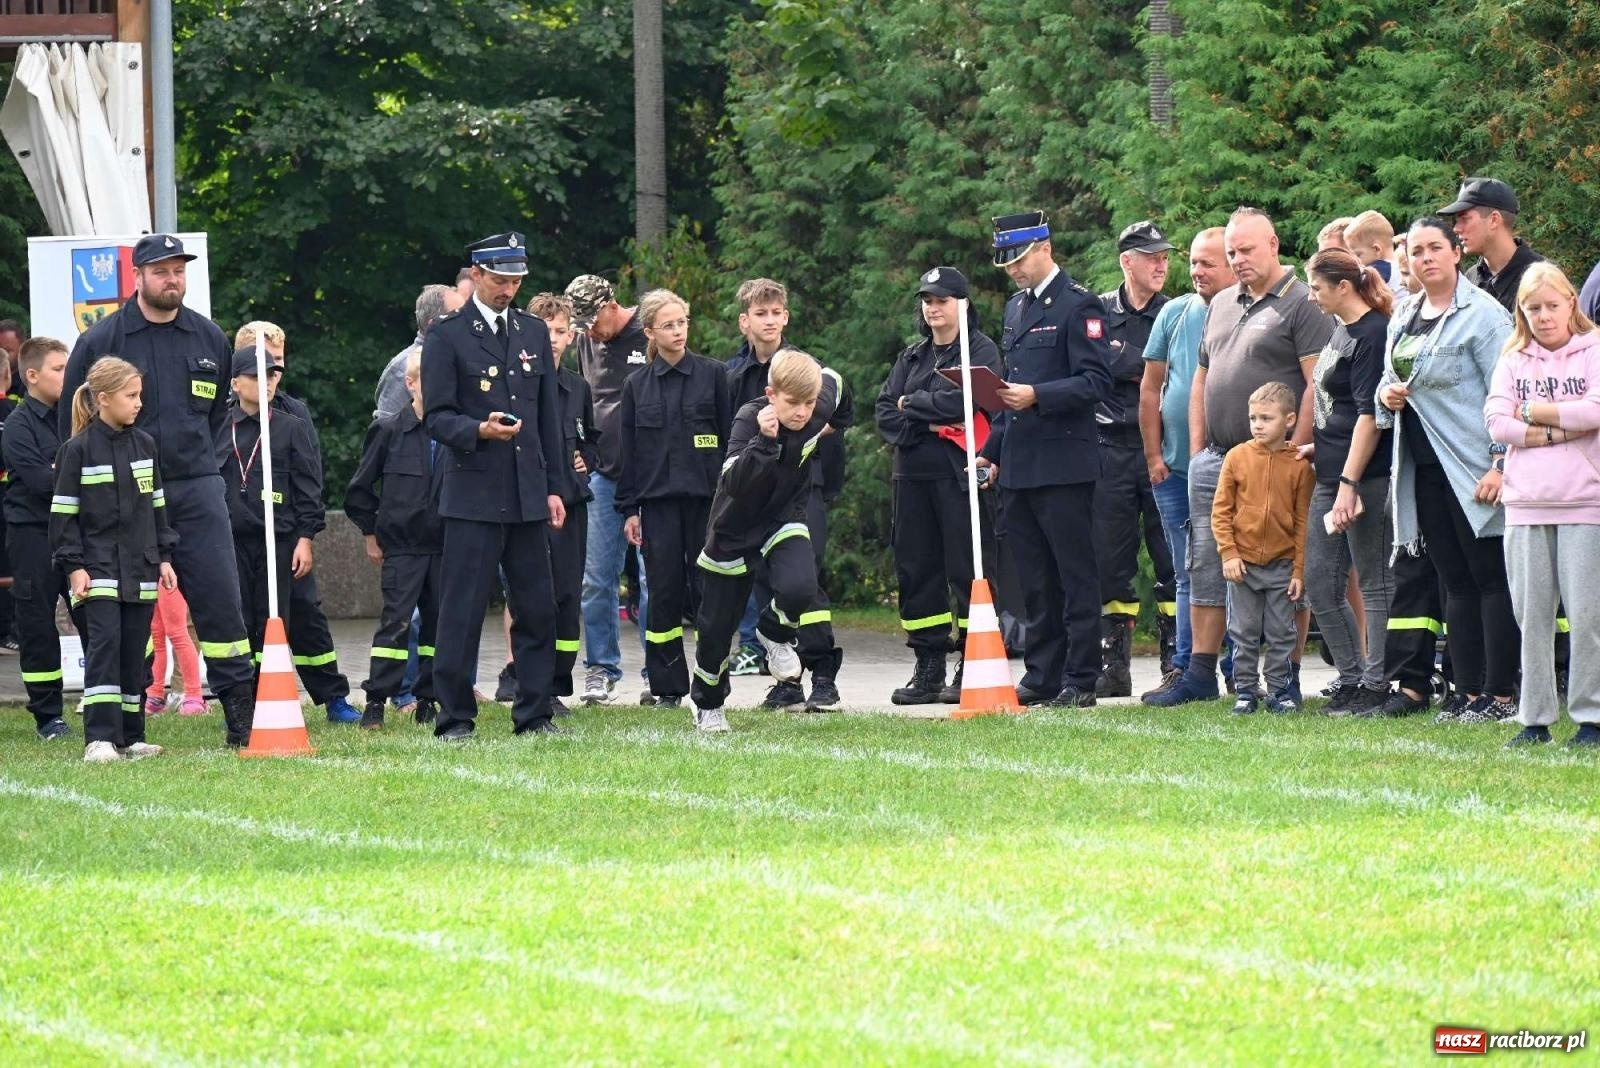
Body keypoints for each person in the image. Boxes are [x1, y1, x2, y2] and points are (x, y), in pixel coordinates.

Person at [61, 234, 257, 747]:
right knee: (123, 613)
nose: (173, 280)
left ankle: (241, 719)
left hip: (195, 491)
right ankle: (120, 730)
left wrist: (202, 471)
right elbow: (74, 425)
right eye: (162, 271)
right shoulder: (102, 340)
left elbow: (221, 417)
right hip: (123, 498)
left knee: (222, 604)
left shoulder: (209, 337)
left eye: (179, 270)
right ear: (138, 277)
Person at [1149, 207, 1334, 708]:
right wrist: (1196, 450)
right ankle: (1201, 673)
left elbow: (1316, 382)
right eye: (1232, 252)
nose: (1239, 259)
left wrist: (1295, 450)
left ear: (1273, 245)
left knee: (1280, 568)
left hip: (1278, 462)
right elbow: (1201, 381)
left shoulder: (1302, 303)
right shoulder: (1222, 302)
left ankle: (1286, 678)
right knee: (1207, 564)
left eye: (1246, 250)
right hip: (1215, 459)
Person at [424, 232, 569, 740]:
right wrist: (478, 430)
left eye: (516, 281)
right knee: (461, 611)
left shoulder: (531, 332)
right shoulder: (447, 336)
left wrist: (555, 486)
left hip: (528, 492)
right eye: (501, 280)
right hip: (473, 494)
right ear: (477, 275)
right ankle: (455, 717)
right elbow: (436, 418)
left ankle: (534, 713)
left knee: (536, 608)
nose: (509, 289)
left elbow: (550, 416)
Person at [1377, 216, 1519, 723]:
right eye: (1416, 252)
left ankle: (1500, 696)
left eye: (1435, 248)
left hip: (1475, 469)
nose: (1426, 258)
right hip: (1423, 468)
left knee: (1490, 579)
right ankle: (1467, 691)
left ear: (1456, 253)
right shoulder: (1404, 313)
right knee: (1453, 581)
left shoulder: (1484, 317)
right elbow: (1384, 384)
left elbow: (1510, 396)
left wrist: (1501, 465)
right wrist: (1387, 395)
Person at [975, 210, 1114, 706]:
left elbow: (1095, 383)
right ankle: (1042, 673)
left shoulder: (1080, 307)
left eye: (1019, 258)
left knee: (1073, 574)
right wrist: (990, 454)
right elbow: (1008, 397)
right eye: (1007, 262)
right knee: (1033, 579)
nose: (1013, 269)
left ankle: (1080, 677)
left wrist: (1038, 394)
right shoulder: (1016, 308)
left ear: (1044, 248)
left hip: (1064, 464)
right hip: (1020, 463)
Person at [687, 351, 846, 731]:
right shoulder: (748, 420)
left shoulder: (819, 401)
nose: (802, 412)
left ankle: (774, 632)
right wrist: (763, 440)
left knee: (801, 586)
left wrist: (835, 426)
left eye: (809, 404)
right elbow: (734, 484)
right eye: (793, 403)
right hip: (734, 529)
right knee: (716, 631)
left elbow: (837, 383)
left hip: (783, 516)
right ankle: (707, 703)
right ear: (770, 394)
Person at [875, 266, 1002, 704]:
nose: (933, 308)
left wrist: (913, 405)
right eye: (927, 300)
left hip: (958, 477)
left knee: (966, 570)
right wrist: (928, 422)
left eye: (942, 300)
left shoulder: (980, 350)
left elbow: (969, 402)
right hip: (911, 478)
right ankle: (928, 665)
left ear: (963, 304)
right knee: (916, 570)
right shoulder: (912, 357)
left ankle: (971, 660)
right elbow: (885, 412)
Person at [723, 277, 851, 712]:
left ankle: (823, 675)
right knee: (766, 583)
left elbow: (834, 412)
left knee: (805, 582)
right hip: (755, 499)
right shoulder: (734, 376)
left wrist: (811, 435)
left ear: (787, 317)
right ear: (745, 321)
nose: (771, 320)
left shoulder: (803, 366)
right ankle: (787, 681)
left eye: (777, 312)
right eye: (761, 313)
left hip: (803, 490)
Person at [1486, 264, 1600, 747]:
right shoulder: (1513, 358)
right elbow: (1496, 421)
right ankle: (1534, 720)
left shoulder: (1595, 350)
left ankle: (1591, 717)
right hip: (1527, 503)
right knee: (1531, 618)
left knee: (1587, 615)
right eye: (1534, 309)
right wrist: (1558, 428)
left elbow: (1596, 410)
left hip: (1585, 502)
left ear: (1571, 303)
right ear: (1522, 312)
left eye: (1553, 305)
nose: (1544, 316)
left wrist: (1531, 413)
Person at [50, 357, 178, 762]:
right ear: (103, 400)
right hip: (97, 570)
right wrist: (74, 567)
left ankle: (131, 737)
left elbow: (157, 508)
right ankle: (100, 739)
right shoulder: (77, 451)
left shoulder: (146, 445)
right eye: (131, 396)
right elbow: (63, 516)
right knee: (104, 648)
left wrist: (164, 558)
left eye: (140, 395)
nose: (139, 403)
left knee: (133, 652)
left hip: (140, 570)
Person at [236, 320, 359, 723]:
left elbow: (311, 480)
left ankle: (333, 697)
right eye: (262, 363)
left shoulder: (293, 414)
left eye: (278, 364)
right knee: (246, 621)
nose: (272, 374)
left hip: (286, 538)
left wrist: (307, 534)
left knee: (306, 617)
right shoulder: (223, 417)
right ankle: (248, 699)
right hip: (240, 539)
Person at [615, 289, 731, 705]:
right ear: (650, 331)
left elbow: (731, 441)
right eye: (669, 325)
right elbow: (628, 453)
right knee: (662, 594)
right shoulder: (636, 386)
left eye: (683, 322)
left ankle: (711, 679)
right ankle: (666, 687)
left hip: (707, 504)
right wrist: (629, 509)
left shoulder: (714, 375)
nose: (678, 331)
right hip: (658, 506)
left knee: (707, 592)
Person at [1139, 228, 1235, 701]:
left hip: (1232, 471)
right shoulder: (1174, 314)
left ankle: (1239, 668)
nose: (1196, 271)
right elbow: (1151, 388)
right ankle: (1186, 670)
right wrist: (1155, 457)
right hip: (1176, 473)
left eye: (1208, 263)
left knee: (1235, 570)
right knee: (1186, 571)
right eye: (1193, 263)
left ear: (1234, 264)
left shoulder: (1245, 311)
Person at [1303, 248, 1395, 714]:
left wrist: (1349, 483)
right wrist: (1318, 448)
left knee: (1374, 579)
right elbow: (1333, 406)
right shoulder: (1341, 329)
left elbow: (1369, 416)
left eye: (1317, 287)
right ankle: (1352, 676)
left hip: (1364, 478)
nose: (1312, 296)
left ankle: (1377, 684)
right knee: (1320, 583)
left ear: (1343, 287)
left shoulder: (1373, 334)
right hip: (1331, 471)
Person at [1095, 221, 1178, 696]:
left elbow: (1173, 376)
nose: (1161, 264)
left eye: (1165, 256)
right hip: (1109, 449)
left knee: (1170, 559)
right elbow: (1096, 365)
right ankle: (1114, 666)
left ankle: (1175, 660)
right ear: (1128, 262)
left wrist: (1128, 360)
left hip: (1161, 449)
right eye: (1152, 257)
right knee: (1112, 562)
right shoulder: (1098, 311)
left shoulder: (1178, 312)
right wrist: (1146, 365)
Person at [345, 347, 442, 730]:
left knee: (438, 627)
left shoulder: (451, 431)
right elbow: (358, 490)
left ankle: (428, 699)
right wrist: (372, 533)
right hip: (402, 547)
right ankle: (376, 702)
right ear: (410, 383)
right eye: (426, 380)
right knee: (396, 625)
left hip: (445, 545)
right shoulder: (389, 429)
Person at [567, 273, 649, 706]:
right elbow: (587, 399)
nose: (590, 331)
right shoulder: (586, 339)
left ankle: (660, 668)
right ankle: (601, 667)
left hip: (651, 477)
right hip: (604, 474)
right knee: (596, 578)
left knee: (654, 578)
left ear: (611, 305)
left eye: (592, 320)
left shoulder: (649, 328)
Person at [1212, 382, 1314, 713]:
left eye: (1266, 418)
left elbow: (1303, 522)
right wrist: (1228, 553)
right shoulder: (1236, 457)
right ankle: (1244, 689)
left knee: (1282, 632)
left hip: (1283, 567)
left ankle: (1280, 691)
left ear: (1289, 420)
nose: (1257, 424)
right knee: (1242, 631)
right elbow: (1221, 511)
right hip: (1242, 566)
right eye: (1253, 417)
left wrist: (1299, 570)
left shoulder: (1299, 465)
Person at [219, 349, 323, 673]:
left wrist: (305, 538)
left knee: (273, 617)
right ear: (235, 383)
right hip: (230, 540)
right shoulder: (219, 427)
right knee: (238, 618)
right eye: (255, 376)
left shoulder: (291, 427)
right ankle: (241, 701)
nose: (265, 383)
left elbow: (308, 488)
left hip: (275, 540)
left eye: (271, 375)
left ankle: (269, 690)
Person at [3, 337, 84, 739]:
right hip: (33, 536)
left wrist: (63, 472)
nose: (67, 376)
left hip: (77, 533)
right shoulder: (17, 426)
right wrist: (70, 475)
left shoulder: (75, 417)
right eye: (58, 369)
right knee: (37, 626)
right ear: (32, 376)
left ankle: (114, 700)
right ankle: (49, 716)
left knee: (94, 614)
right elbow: (40, 482)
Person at [526, 292, 598, 710]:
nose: (553, 339)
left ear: (571, 336)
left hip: (572, 505)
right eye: (545, 330)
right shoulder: (520, 386)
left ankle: (557, 685)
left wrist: (584, 459)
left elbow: (592, 440)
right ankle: (531, 680)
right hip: (531, 507)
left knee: (569, 595)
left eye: (560, 331)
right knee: (537, 594)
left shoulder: (577, 387)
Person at [1440, 178, 1546, 314]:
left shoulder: (1544, 277)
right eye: (1456, 221)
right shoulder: (1469, 279)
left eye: (1464, 219)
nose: (1456, 228)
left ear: (1494, 220)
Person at [375, 284, 467, 418]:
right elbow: (387, 432)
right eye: (458, 317)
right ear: (434, 326)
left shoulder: (468, 357)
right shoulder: (402, 369)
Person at [145, 584, 204, 717]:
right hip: (154, 571)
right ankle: (155, 696)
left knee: (175, 634)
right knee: (159, 636)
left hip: (166, 572)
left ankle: (193, 697)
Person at [1344, 211, 1397, 285]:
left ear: (1377, 249)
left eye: (1358, 255)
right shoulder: (1398, 266)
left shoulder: (1379, 269)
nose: (1355, 261)